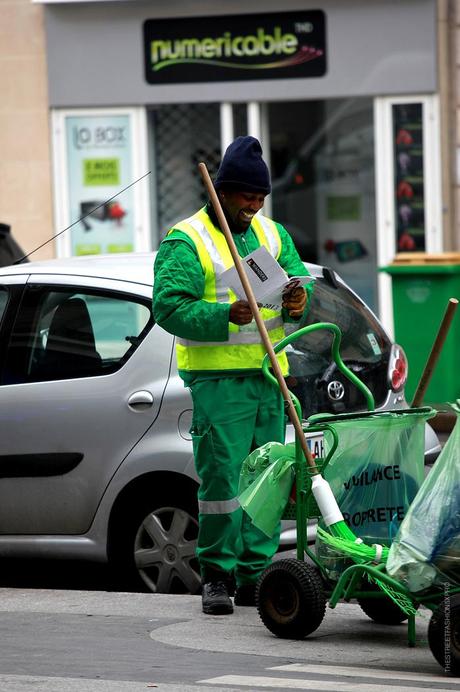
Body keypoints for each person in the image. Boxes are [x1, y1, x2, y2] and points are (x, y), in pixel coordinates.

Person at [153, 136, 313, 615]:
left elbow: (298, 285)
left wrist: (297, 303)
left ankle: (256, 573)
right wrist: (227, 316)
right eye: (246, 195)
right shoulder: (188, 239)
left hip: (269, 376)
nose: (255, 204)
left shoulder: (273, 235)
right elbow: (168, 306)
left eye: (261, 197)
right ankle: (217, 575)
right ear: (221, 191)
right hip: (219, 383)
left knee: (267, 480)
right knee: (223, 481)